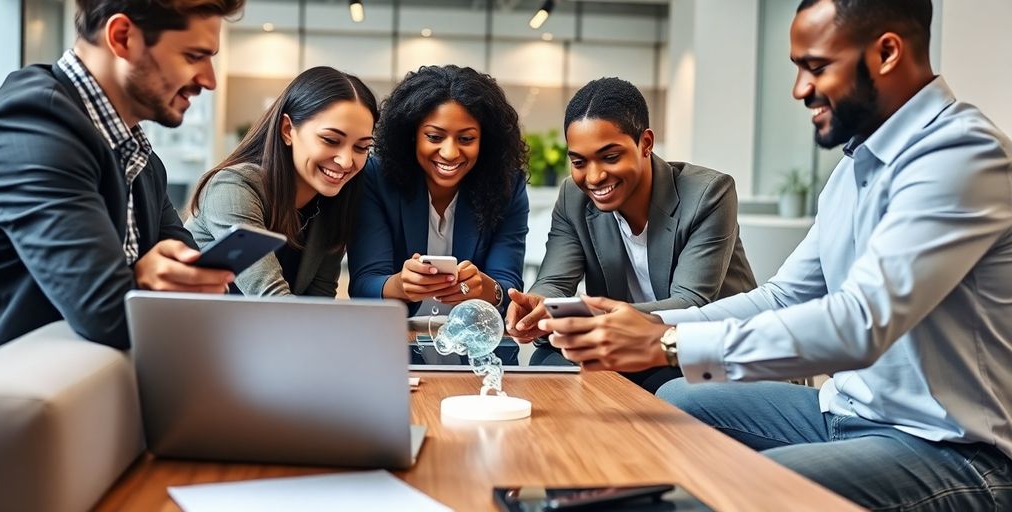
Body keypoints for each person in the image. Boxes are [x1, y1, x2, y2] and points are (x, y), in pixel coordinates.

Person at [539, 0, 1012, 509]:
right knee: (677, 399)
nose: (799, 89)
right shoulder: (855, 170)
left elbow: (861, 323)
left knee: (726, 493)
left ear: (888, 53)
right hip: (844, 412)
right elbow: (785, 297)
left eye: (816, 67)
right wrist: (654, 331)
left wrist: (670, 344)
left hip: (947, 448)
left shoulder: (960, 155)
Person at [0, 0, 244, 350]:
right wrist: (142, 280)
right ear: (122, 37)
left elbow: (205, 290)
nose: (209, 80)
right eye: (193, 56)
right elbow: (107, 313)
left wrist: (158, 280)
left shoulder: (142, 161)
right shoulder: (33, 125)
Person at [504, 77, 755, 392]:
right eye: (579, 162)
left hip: (700, 349)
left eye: (610, 157)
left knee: (664, 385)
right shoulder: (573, 196)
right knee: (550, 363)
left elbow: (689, 304)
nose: (594, 177)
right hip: (626, 347)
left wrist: (593, 315)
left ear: (645, 143)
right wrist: (539, 304)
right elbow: (554, 281)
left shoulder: (708, 193)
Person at [348, 65, 529, 318]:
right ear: (411, 135)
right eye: (434, 137)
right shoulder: (376, 178)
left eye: (466, 139)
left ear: (485, 141)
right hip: (397, 336)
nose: (450, 153)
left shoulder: (506, 185)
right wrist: (401, 285)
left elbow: (509, 291)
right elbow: (364, 285)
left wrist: (487, 288)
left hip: (471, 340)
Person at [186, 67, 377, 296]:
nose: (347, 161)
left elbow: (319, 304)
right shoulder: (233, 187)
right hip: (200, 329)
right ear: (288, 130)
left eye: (362, 147)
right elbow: (269, 296)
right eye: (330, 140)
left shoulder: (335, 203)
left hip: (266, 330)